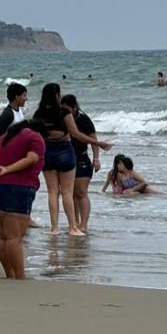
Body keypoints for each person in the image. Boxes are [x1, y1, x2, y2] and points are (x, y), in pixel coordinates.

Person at [33, 82, 110, 236]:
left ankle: (54, 228)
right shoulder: (64, 112)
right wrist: (98, 143)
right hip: (64, 152)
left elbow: (36, 135)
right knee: (67, 192)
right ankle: (73, 228)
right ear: (56, 95)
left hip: (47, 152)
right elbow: (75, 133)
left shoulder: (39, 113)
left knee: (52, 192)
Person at [0, 119, 48, 280]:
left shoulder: (3, 138)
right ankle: (20, 276)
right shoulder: (35, 137)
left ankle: (9, 273)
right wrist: (7, 170)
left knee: (2, 236)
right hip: (17, 187)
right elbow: (32, 158)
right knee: (14, 237)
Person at [61, 94, 100, 233]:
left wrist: (96, 159)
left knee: (81, 192)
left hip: (82, 158)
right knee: (70, 194)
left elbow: (93, 139)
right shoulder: (61, 117)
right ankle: (74, 223)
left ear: (74, 107)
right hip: (66, 158)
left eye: (67, 109)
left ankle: (84, 224)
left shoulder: (83, 119)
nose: (64, 112)